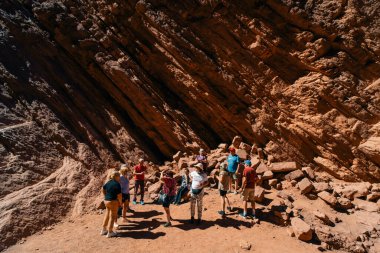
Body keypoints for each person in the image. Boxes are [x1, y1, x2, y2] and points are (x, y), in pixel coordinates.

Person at [100, 170, 122, 238]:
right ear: (116, 176)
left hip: (107, 201)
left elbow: (103, 189)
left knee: (107, 215)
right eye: (119, 176)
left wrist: (105, 196)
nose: (120, 178)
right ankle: (110, 232)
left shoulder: (108, 182)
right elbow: (119, 195)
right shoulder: (117, 184)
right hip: (113, 201)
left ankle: (103, 230)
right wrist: (120, 202)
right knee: (112, 216)